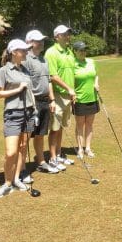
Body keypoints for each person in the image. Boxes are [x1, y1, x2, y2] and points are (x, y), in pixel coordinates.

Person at [0, 39, 35, 198]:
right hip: (13, 114)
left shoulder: (25, 70)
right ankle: (7, 183)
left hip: (29, 113)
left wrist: (35, 111)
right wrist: (18, 89)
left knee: (23, 147)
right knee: (11, 152)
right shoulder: (4, 70)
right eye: (23, 50)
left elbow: (30, 92)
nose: (26, 53)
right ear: (13, 52)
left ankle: (16, 179)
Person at [23, 30, 59, 175]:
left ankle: (41, 162)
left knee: (40, 134)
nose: (41, 42)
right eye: (38, 40)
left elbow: (48, 81)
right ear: (30, 43)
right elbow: (26, 84)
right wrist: (32, 105)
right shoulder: (26, 60)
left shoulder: (44, 60)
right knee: (25, 137)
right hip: (32, 104)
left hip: (45, 102)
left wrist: (52, 99)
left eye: (42, 40)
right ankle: (22, 169)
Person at [44, 25, 76, 171]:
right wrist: (68, 88)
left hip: (68, 96)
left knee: (62, 127)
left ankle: (58, 153)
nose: (67, 36)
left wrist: (72, 90)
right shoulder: (51, 52)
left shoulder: (69, 52)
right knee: (54, 128)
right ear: (57, 37)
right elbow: (53, 76)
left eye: (68, 34)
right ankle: (52, 158)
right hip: (57, 95)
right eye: (64, 34)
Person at [72, 41, 100, 159]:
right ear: (75, 51)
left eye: (84, 50)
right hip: (79, 99)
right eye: (80, 50)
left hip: (92, 97)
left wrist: (96, 83)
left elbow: (96, 75)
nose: (83, 52)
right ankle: (80, 149)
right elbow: (70, 80)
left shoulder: (91, 61)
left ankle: (87, 148)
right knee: (80, 125)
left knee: (89, 124)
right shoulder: (72, 64)